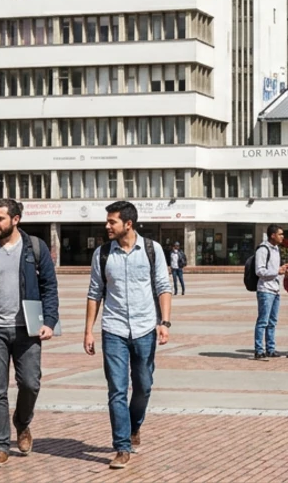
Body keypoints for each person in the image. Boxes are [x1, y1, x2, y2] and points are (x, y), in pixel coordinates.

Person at [0, 200, 60, 468]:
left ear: (15, 220)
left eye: (0, 219)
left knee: (30, 383)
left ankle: (22, 422)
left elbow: (49, 287)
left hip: (28, 330)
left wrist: (49, 321)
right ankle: (1, 445)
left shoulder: (35, 248)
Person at [84, 201, 172, 470]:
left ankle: (134, 426)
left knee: (144, 385)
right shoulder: (102, 254)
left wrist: (165, 322)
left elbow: (162, 286)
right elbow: (94, 292)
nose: (107, 226)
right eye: (107, 221)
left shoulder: (151, 249)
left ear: (128, 224)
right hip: (114, 329)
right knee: (117, 390)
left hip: (145, 328)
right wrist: (88, 330)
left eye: (112, 222)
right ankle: (122, 446)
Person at [252, 224, 288, 361]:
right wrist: (277, 271)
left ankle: (270, 348)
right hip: (265, 289)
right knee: (263, 321)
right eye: (280, 234)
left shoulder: (276, 249)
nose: (282, 236)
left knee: (272, 321)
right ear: (272, 235)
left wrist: (282, 269)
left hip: (275, 289)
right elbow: (260, 271)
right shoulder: (263, 249)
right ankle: (259, 349)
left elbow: (273, 269)